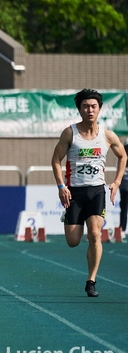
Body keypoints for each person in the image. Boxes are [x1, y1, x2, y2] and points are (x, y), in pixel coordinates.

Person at [51, 89, 127, 298]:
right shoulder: (70, 133)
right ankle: (69, 216)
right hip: (74, 191)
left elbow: (123, 156)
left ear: (99, 109)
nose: (90, 110)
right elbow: (56, 160)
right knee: (73, 241)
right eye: (85, 106)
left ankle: (91, 281)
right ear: (80, 109)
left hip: (96, 191)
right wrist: (61, 186)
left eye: (93, 106)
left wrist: (117, 181)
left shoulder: (107, 135)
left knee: (95, 234)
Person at [119, 138, 128, 238]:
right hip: (124, 183)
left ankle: (122, 229)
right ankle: (122, 228)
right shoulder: (122, 158)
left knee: (124, 207)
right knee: (124, 207)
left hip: (124, 183)